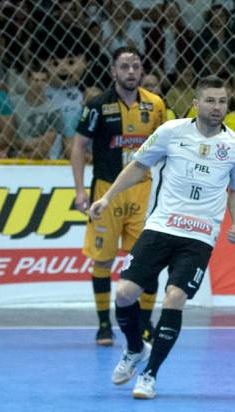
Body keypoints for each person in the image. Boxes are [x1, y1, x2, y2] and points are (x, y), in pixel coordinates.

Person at [88, 76, 235, 399]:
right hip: (161, 227)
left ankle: (149, 375)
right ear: (196, 103)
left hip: (199, 237)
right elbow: (137, 167)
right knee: (124, 293)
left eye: (222, 102)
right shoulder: (171, 132)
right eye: (210, 101)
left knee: (174, 298)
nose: (217, 107)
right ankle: (135, 349)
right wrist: (107, 198)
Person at [70, 47, 166, 346]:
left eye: (136, 66)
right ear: (113, 71)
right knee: (103, 259)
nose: (131, 71)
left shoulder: (157, 105)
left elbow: (170, 147)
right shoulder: (97, 105)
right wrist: (79, 190)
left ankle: (145, 323)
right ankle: (103, 325)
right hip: (106, 193)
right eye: (124, 66)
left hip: (143, 192)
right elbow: (78, 147)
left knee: (146, 261)